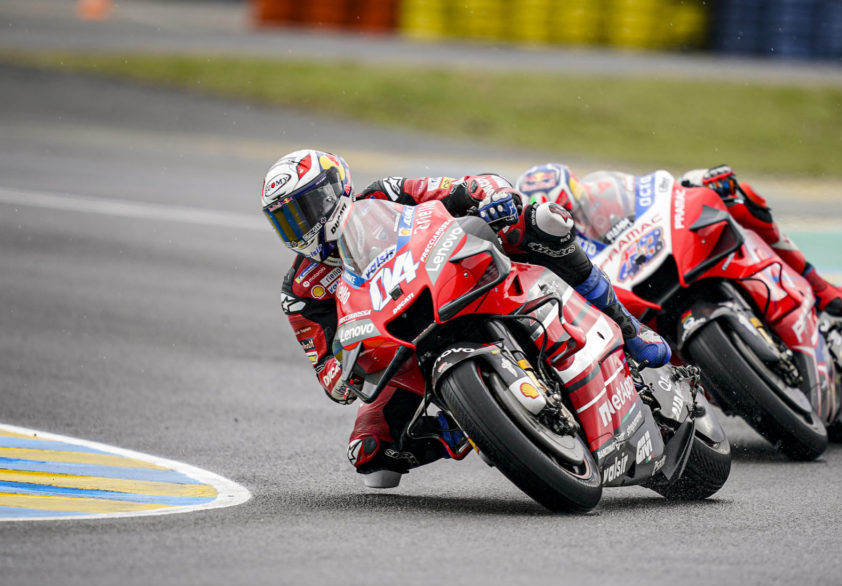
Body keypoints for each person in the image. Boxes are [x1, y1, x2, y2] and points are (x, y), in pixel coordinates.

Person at [261, 149, 672, 489]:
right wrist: (346, 366)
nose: (302, 226)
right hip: (403, 348)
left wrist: (491, 194)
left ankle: (629, 328)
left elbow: (461, 188)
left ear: (336, 190)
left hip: (459, 274)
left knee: (544, 221)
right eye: (287, 220)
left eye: (305, 209)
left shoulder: (384, 195)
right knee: (370, 458)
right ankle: (475, 428)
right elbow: (329, 376)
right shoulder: (300, 292)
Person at [515, 163, 842, 317]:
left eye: (570, 209)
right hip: (629, 291)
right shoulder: (550, 254)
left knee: (735, 192)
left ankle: (818, 282)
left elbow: (654, 189)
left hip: (661, 250)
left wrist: (697, 182)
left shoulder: (605, 193)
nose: (565, 220)